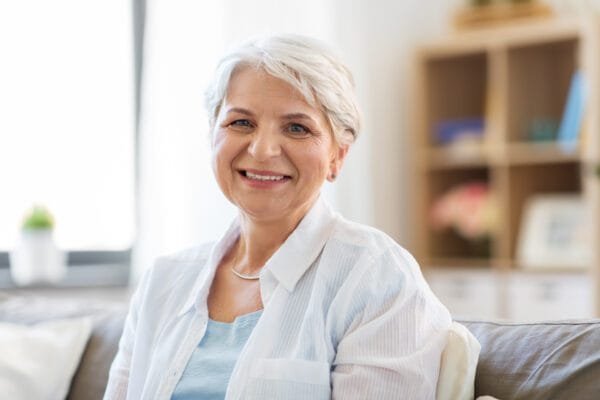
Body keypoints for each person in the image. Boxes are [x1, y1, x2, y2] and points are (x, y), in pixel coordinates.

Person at [104, 33, 452, 400]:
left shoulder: (376, 276)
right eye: (241, 123)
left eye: (297, 128)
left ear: (337, 156)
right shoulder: (163, 281)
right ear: (212, 135)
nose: (263, 149)